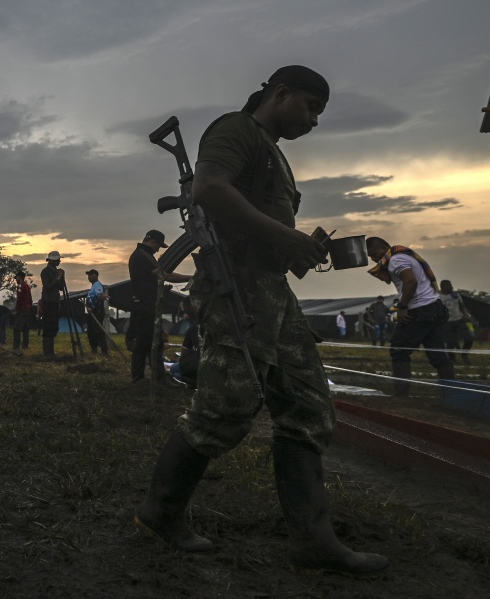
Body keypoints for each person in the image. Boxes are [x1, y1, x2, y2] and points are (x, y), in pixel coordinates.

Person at [135, 66, 388, 576]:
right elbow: (208, 189)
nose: (314, 121)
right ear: (280, 93)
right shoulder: (236, 130)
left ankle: (312, 540)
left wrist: (296, 247)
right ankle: (160, 514)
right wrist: (282, 235)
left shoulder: (273, 152)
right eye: (310, 108)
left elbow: (256, 221)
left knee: (308, 408)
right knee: (224, 409)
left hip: (272, 291)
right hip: (236, 290)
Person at [366, 237, 454, 396]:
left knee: (399, 350)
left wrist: (402, 307)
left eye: (374, 253)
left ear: (385, 247)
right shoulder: (404, 256)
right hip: (434, 308)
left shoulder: (395, 260)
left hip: (418, 311)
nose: (373, 258)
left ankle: (401, 394)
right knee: (438, 355)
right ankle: (452, 395)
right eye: (370, 256)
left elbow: (410, 282)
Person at [127, 230, 191, 382]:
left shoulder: (143, 255)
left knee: (150, 341)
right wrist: (193, 276)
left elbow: (147, 281)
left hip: (145, 304)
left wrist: (160, 288)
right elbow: (165, 275)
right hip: (145, 305)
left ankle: (150, 377)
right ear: (153, 242)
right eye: (158, 247)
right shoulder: (143, 256)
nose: (158, 250)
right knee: (147, 342)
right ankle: (149, 378)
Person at [438, 280, 473, 365]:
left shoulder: (456, 295)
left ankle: (464, 355)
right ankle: (452, 359)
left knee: (469, 339)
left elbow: (462, 306)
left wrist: (466, 314)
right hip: (447, 322)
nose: (451, 287)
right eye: (449, 286)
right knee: (450, 343)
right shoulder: (438, 297)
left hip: (459, 320)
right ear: (444, 287)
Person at [169, 298, 200, 389]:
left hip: (197, 365)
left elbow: (184, 353)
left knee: (174, 369)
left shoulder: (192, 330)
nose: (183, 312)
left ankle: (193, 383)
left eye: (183, 309)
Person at [39, 252, 65, 358]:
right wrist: (58, 278)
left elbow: (61, 288)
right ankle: (48, 353)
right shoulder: (45, 271)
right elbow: (47, 286)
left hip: (54, 302)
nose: (60, 261)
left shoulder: (56, 272)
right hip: (48, 302)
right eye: (58, 260)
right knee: (49, 326)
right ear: (52, 261)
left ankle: (51, 352)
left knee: (53, 326)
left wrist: (61, 277)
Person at [85, 269, 109, 356]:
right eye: (88, 275)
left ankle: (104, 351)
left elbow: (100, 296)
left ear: (96, 275)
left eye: (91, 275)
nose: (89, 277)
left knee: (98, 331)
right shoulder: (93, 286)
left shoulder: (97, 285)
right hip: (91, 312)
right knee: (91, 332)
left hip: (96, 312)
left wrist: (92, 308)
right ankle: (94, 349)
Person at [12, 271, 32, 354]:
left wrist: (17, 309)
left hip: (22, 309)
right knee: (25, 328)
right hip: (27, 309)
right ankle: (25, 345)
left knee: (17, 328)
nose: (16, 279)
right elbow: (30, 298)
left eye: (16, 278)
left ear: (19, 277)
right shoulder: (27, 286)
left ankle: (16, 346)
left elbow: (19, 299)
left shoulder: (20, 286)